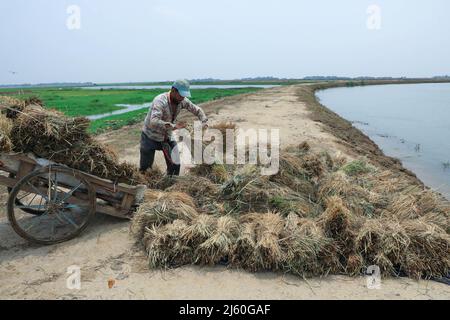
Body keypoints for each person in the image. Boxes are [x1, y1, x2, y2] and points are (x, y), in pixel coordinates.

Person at [140, 79, 208, 176]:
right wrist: (173, 126)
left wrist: (204, 121)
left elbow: (197, 110)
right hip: (150, 136)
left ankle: (170, 183)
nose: (182, 97)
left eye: (184, 95)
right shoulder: (160, 101)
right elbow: (153, 121)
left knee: (175, 164)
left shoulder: (182, 101)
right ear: (173, 90)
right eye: (181, 95)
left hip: (167, 136)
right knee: (145, 169)